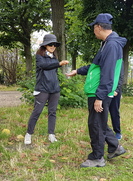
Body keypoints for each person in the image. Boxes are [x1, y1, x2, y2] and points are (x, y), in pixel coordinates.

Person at [66, 13, 127, 167]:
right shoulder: (107, 44)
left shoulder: (112, 45)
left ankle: (96, 158)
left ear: (99, 27)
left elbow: (109, 72)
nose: (93, 31)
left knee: (95, 125)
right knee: (99, 121)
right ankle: (115, 147)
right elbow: (97, 67)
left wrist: (100, 96)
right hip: (100, 90)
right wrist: (78, 71)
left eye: (94, 28)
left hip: (99, 92)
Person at [24, 34, 69, 145]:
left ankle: (51, 134)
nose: (53, 46)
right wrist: (58, 64)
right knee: (37, 111)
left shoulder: (54, 57)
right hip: (42, 88)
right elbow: (45, 65)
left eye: (54, 44)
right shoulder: (40, 57)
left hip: (55, 89)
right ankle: (29, 134)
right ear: (45, 45)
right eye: (50, 44)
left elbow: (53, 69)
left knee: (52, 112)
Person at [109, 65, 124, 140]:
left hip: (115, 91)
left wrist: (117, 89)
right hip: (104, 88)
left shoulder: (119, 60)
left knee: (114, 111)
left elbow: (120, 76)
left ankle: (117, 132)